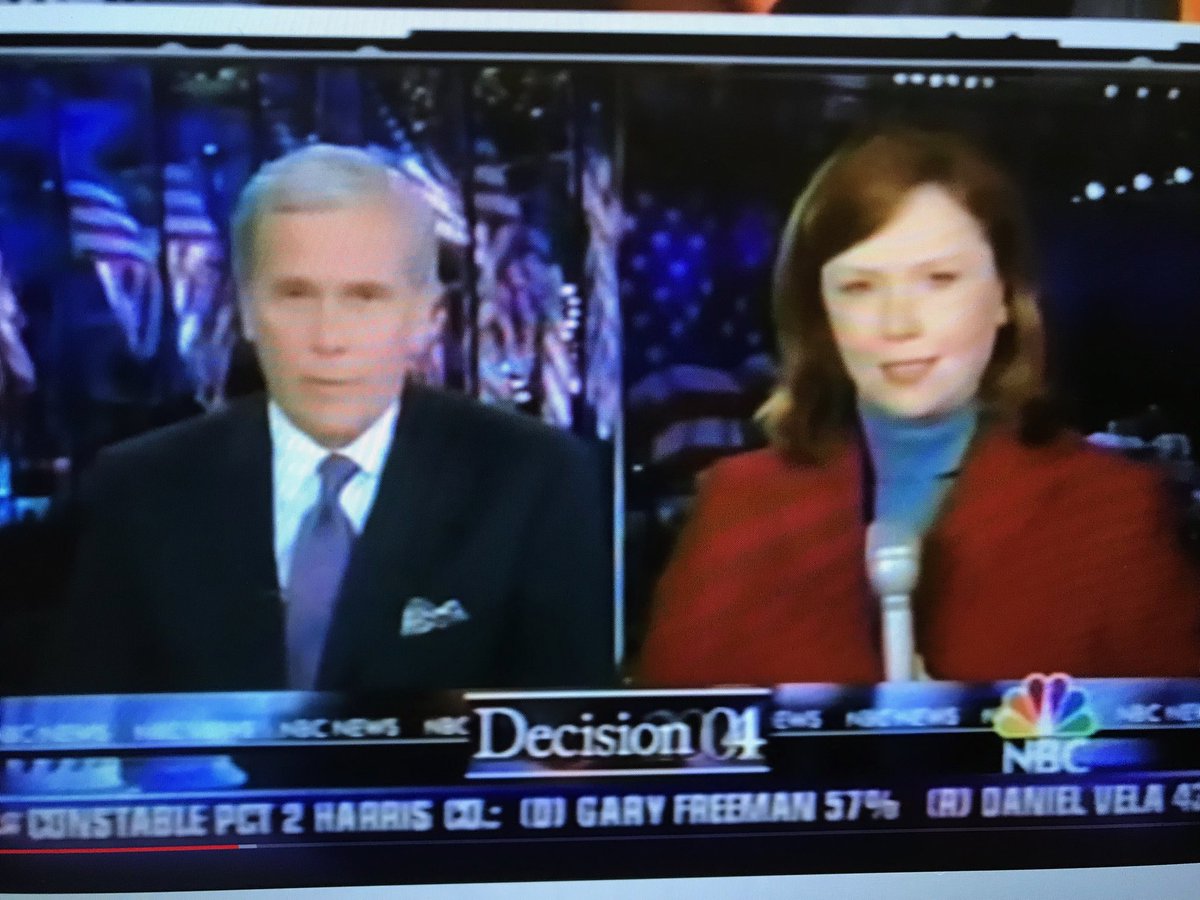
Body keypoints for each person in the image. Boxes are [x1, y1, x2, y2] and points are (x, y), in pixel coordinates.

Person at [639, 126, 1200, 685]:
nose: (899, 324)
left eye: (938, 279)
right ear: (820, 313)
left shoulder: (1113, 510)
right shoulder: (736, 504)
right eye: (860, 287)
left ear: (1005, 296)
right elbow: (666, 730)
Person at [46, 144, 613, 693]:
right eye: (295, 295)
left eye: (364, 297)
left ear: (427, 319)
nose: (328, 339)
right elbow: (86, 733)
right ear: (246, 310)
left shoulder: (533, 479)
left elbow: (563, 736)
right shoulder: (141, 488)